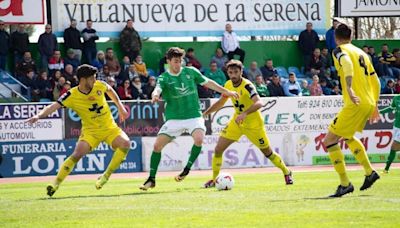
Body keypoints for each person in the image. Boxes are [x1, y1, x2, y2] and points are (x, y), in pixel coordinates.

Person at [139, 47, 238, 190]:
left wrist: (226, 91)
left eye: (180, 61)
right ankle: (151, 179)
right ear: (168, 62)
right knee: (156, 146)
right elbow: (158, 88)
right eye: (175, 61)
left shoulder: (191, 72)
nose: (178, 64)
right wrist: (155, 95)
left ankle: (186, 169)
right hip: (174, 119)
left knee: (199, 139)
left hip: (194, 116)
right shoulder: (164, 78)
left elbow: (208, 82)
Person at [26, 64, 131, 197]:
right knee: (76, 155)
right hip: (90, 132)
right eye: (92, 78)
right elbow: (54, 106)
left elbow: (110, 90)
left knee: (126, 144)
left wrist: (120, 107)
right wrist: (38, 116)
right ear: (83, 79)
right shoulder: (72, 95)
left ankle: (105, 176)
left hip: (109, 128)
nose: (95, 81)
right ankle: (55, 184)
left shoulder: (99, 85)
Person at [203, 60, 293, 188]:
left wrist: (245, 113)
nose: (233, 75)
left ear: (241, 72)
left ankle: (287, 171)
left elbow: (259, 103)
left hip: (253, 125)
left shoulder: (247, 86)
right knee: (218, 149)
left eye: (235, 72)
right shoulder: (228, 84)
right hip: (237, 123)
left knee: (268, 153)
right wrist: (206, 113)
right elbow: (221, 102)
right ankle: (214, 179)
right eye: (230, 72)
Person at [323, 23, 381, 197]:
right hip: (367, 102)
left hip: (354, 102)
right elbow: (376, 82)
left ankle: (345, 183)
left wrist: (348, 87)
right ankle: (369, 172)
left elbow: (346, 64)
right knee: (347, 136)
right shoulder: (362, 53)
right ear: (352, 36)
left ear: (335, 37)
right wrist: (375, 105)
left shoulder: (339, 50)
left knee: (329, 141)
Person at [379, 95, 400, 173]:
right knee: (395, 148)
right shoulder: (396, 98)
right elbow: (391, 108)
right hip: (396, 127)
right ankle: (386, 169)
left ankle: (386, 169)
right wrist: (379, 112)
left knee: (393, 147)